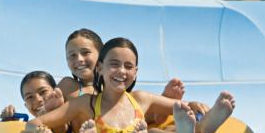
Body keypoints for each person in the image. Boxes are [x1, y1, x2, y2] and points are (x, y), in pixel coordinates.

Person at [26, 37, 236, 133]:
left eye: (128, 66)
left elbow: (181, 107)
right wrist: (39, 130)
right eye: (114, 64)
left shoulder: (141, 98)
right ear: (100, 68)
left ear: (135, 73)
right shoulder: (85, 103)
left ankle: (199, 130)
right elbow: (35, 122)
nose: (121, 71)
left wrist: (193, 105)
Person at [57, 28, 205, 123]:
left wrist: (191, 105)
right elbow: (49, 113)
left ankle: (162, 107)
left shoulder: (114, 84)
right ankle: (162, 108)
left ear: (103, 56)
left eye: (85, 53)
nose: (79, 59)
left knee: (139, 111)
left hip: (121, 132)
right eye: (72, 55)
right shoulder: (68, 85)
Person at [0, 70, 66, 121]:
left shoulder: (70, 120)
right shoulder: (30, 128)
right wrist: (11, 123)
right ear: (26, 106)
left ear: (56, 91)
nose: (38, 100)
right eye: (30, 97)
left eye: (43, 92)